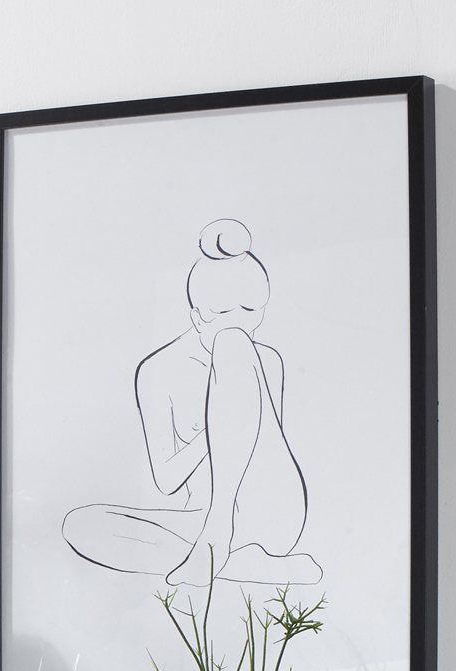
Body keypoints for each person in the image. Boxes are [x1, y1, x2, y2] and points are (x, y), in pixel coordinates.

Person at [63, 219, 320, 588]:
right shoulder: (158, 369)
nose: (243, 326)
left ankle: (217, 542)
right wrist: (211, 431)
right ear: (198, 315)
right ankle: (244, 566)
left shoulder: (265, 359)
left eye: (252, 313)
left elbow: (267, 448)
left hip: (270, 511)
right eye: (225, 315)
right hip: (198, 519)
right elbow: (166, 480)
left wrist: (233, 406)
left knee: (233, 347)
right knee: (81, 526)